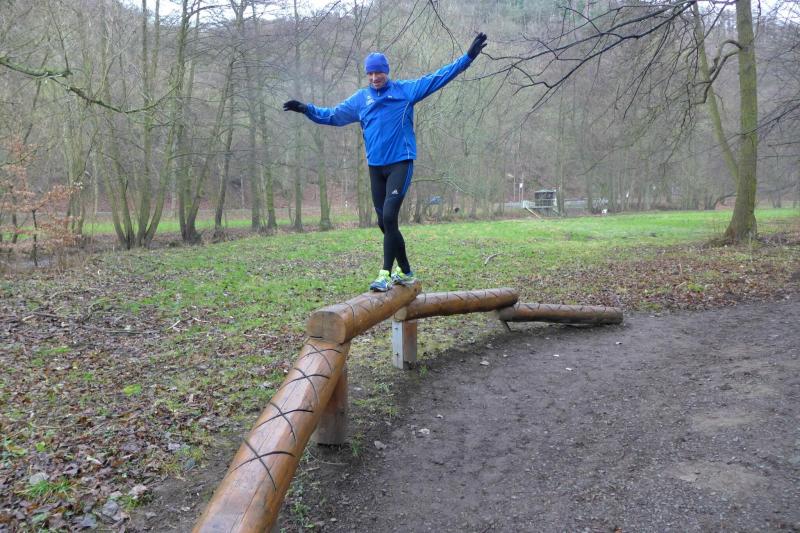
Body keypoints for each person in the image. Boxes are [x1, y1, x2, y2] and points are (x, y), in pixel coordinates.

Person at [284, 32, 488, 292]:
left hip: (400, 163)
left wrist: (467, 58)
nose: (374, 78)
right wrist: (306, 109)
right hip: (375, 168)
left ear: (386, 72)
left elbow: (438, 77)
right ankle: (407, 272)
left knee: (390, 215)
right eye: (370, 74)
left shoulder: (405, 92)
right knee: (384, 223)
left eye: (378, 72)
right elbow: (333, 116)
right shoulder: (361, 100)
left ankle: (385, 274)